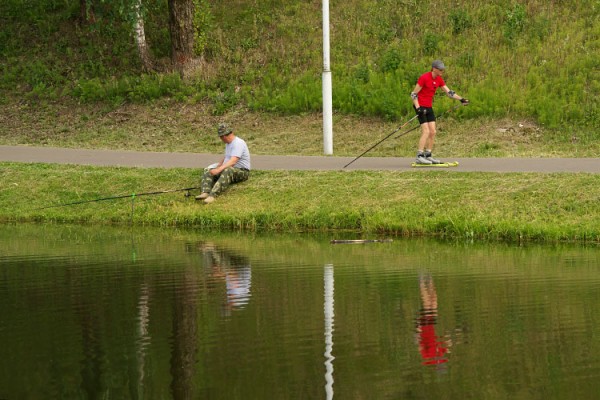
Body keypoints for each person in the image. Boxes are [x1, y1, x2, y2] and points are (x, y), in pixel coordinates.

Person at [410, 60, 469, 164]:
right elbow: (413, 94)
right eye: (440, 69)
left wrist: (461, 99)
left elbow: (449, 92)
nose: (442, 71)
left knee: (433, 131)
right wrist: (418, 108)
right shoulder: (424, 77)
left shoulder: (439, 80)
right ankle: (419, 156)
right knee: (426, 131)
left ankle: (428, 155)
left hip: (428, 107)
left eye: (443, 69)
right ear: (434, 68)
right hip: (420, 106)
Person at [195, 123, 251, 204]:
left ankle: (212, 195)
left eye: (221, 137)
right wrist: (218, 166)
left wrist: (218, 170)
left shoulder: (238, 143)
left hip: (242, 171)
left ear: (224, 136)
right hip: (230, 168)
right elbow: (226, 157)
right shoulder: (229, 144)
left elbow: (233, 161)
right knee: (208, 169)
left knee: (228, 170)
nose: (221, 139)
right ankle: (205, 192)